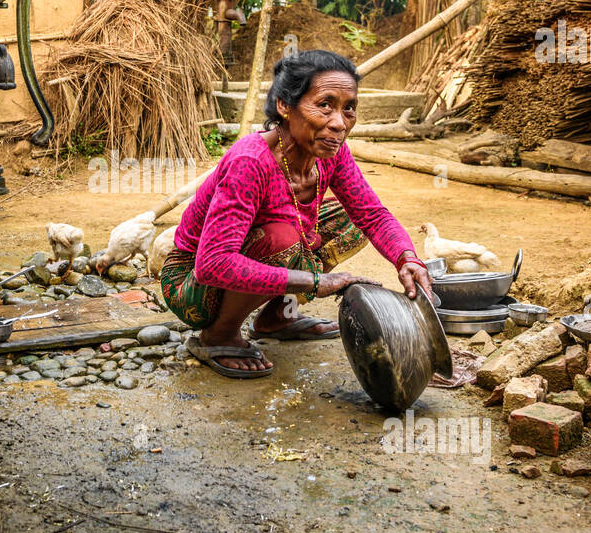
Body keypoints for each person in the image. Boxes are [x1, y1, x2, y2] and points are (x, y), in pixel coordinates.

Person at [159, 50, 433, 378]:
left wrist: (408, 259)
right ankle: (218, 335)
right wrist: (316, 282)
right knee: (282, 237)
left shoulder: (330, 152)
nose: (339, 122)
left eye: (349, 108)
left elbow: (372, 214)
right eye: (325, 105)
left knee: (350, 222)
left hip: (248, 258)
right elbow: (213, 264)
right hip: (190, 285)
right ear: (285, 106)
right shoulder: (252, 161)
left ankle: (277, 317)